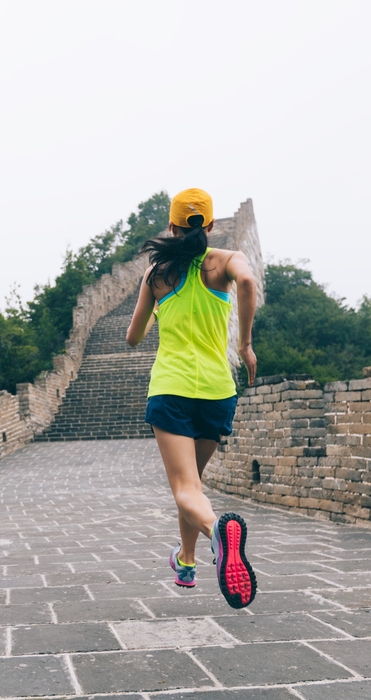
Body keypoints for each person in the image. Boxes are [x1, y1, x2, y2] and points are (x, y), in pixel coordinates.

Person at [126, 188, 259, 609]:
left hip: (172, 390)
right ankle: (186, 562)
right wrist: (245, 345)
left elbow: (133, 337)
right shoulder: (226, 260)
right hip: (218, 392)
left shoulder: (157, 274)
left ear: (172, 226)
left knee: (185, 489)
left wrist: (160, 312)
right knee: (194, 485)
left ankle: (219, 532)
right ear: (212, 225)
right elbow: (249, 282)